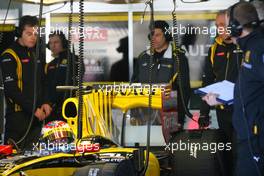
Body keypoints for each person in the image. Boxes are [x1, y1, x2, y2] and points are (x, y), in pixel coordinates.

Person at [198, 10, 243, 175]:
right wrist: (204, 113)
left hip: (243, 111)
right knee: (225, 154)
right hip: (222, 113)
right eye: (217, 26)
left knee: (241, 154)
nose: (219, 29)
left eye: (223, 25)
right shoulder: (214, 48)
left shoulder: (244, 46)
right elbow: (208, 82)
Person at [0, 15, 52, 150]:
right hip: (17, 120)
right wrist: (34, 109)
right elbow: (11, 90)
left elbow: (43, 81)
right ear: (19, 33)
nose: (33, 37)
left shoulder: (35, 54)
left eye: (35, 34)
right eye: (29, 34)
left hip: (36, 119)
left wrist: (46, 102)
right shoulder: (9, 55)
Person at [226, 2, 264, 175]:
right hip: (248, 137)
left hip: (256, 140)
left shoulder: (258, 49)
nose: (227, 32)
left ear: (235, 27)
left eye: (229, 26)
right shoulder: (250, 48)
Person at [131, 20, 190, 127]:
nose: (153, 38)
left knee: (168, 143)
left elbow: (184, 90)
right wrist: (133, 115)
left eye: (157, 35)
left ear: (167, 35)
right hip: (144, 115)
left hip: (170, 114)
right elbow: (134, 86)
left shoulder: (178, 58)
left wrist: (179, 117)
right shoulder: (142, 57)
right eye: (151, 35)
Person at [45, 31, 81, 122]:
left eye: (56, 42)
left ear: (63, 43)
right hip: (52, 111)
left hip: (70, 109)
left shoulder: (75, 60)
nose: (53, 45)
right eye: (50, 43)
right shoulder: (49, 65)